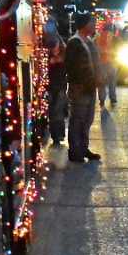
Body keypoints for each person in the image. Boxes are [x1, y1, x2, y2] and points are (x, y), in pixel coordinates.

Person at [63, 12, 102, 163]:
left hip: (90, 88)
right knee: (78, 120)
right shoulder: (75, 42)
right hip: (80, 88)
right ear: (84, 25)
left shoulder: (89, 41)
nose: (94, 25)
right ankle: (75, 151)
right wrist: (79, 83)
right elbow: (71, 67)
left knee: (87, 120)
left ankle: (83, 148)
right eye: (91, 23)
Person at [44, 16, 67, 148]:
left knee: (57, 111)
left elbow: (65, 59)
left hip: (58, 84)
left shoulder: (60, 42)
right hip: (51, 84)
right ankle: (56, 135)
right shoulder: (46, 42)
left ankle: (58, 135)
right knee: (54, 111)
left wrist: (57, 59)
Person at [95, 18, 119, 110]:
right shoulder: (114, 37)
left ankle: (102, 100)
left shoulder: (97, 36)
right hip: (112, 63)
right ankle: (113, 99)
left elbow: (93, 48)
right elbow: (118, 48)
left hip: (101, 63)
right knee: (112, 82)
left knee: (102, 83)